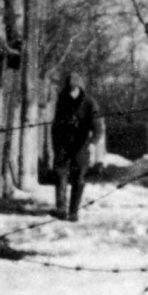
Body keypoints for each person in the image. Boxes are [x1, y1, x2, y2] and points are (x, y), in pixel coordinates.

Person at [49, 70, 102, 222]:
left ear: (80, 88)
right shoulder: (62, 100)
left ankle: (73, 211)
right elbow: (56, 124)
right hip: (63, 144)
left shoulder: (90, 103)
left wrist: (92, 144)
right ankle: (61, 208)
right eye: (69, 89)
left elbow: (98, 128)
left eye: (74, 88)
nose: (71, 92)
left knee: (78, 178)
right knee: (60, 174)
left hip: (81, 144)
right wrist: (55, 144)